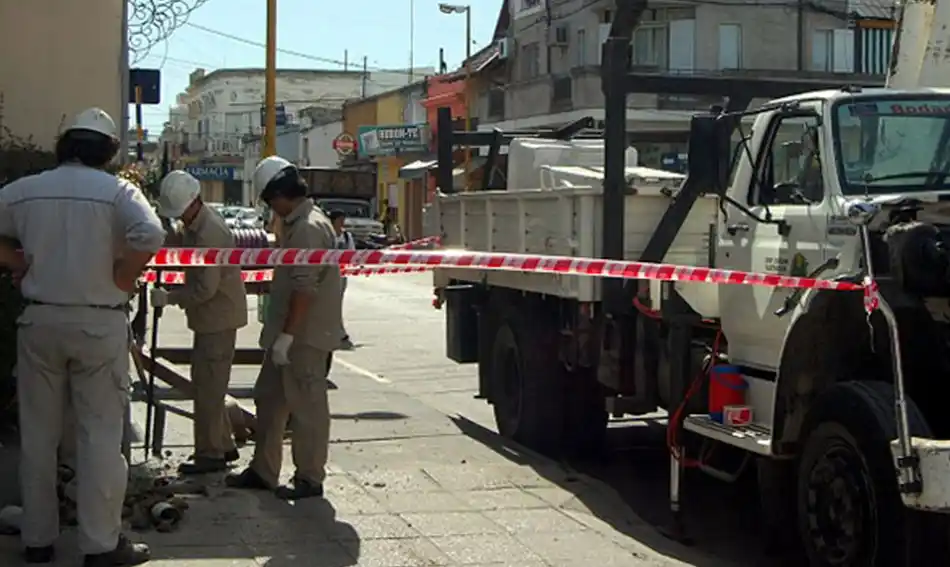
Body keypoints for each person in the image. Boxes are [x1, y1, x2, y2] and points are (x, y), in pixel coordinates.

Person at [0, 108, 164, 566]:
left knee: (38, 436)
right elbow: (150, 232)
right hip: (98, 322)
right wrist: (124, 276)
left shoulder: (27, 190)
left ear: (65, 144)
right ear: (108, 151)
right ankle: (100, 545)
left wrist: (16, 263)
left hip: (40, 322)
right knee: (99, 437)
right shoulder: (117, 192)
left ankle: (37, 540)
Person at [225, 155, 342, 500]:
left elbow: (306, 289)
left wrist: (288, 337)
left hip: (303, 336)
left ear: (277, 194)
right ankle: (264, 470)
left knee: (307, 408)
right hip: (287, 334)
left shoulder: (308, 227)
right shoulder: (294, 223)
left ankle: (309, 477)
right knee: (269, 399)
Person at [150, 170, 248, 475]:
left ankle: (210, 453)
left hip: (217, 318)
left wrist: (171, 297)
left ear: (193, 202)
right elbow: (181, 246)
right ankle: (222, 444)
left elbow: (206, 288)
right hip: (211, 319)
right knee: (209, 385)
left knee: (208, 389)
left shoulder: (209, 233)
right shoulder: (196, 225)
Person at [328, 209, 355, 350]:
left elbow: (352, 253)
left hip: (342, 275)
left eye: (343, 221)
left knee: (337, 304)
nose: (342, 224)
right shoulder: (327, 236)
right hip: (328, 275)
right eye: (339, 221)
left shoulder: (346, 237)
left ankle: (338, 331)